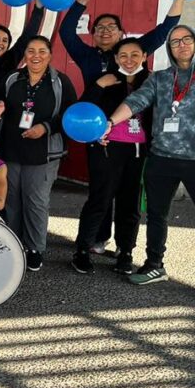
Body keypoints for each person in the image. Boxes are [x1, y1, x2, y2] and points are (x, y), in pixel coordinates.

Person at [105, 22, 195, 303]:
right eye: (174, 42)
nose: (181, 45)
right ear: (169, 49)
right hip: (162, 158)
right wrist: (110, 122)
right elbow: (136, 101)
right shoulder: (160, 78)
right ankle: (155, 264)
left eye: (186, 40)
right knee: (156, 215)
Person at [59, 0, 186, 255]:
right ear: (93, 35)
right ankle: (96, 238)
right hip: (99, 134)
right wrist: (80, 3)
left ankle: (124, 247)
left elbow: (165, 30)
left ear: (122, 33)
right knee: (101, 193)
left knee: (128, 196)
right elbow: (66, 33)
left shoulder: (135, 52)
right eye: (100, 28)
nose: (105, 32)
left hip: (135, 137)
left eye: (111, 28)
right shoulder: (88, 56)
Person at [0, 36, 76, 271]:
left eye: (42, 51)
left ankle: (35, 248)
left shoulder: (60, 82)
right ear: (25, 55)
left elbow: (70, 115)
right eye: (30, 51)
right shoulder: (12, 79)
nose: (35, 56)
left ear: (50, 55)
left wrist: (46, 128)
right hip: (11, 150)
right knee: (12, 201)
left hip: (44, 153)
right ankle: (14, 242)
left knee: (36, 202)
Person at [71, 37, 153, 276]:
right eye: (123, 56)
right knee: (100, 200)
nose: (129, 60)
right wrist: (98, 86)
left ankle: (125, 251)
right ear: (115, 58)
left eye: (135, 55)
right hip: (106, 148)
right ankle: (83, 251)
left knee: (130, 204)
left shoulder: (151, 82)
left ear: (144, 57)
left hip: (138, 151)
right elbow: (82, 111)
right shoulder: (106, 79)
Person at [0, 0, 44, 102]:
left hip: (0, 110)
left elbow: (28, 36)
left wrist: (38, 9)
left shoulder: (10, 58)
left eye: (5, 41)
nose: (0, 43)